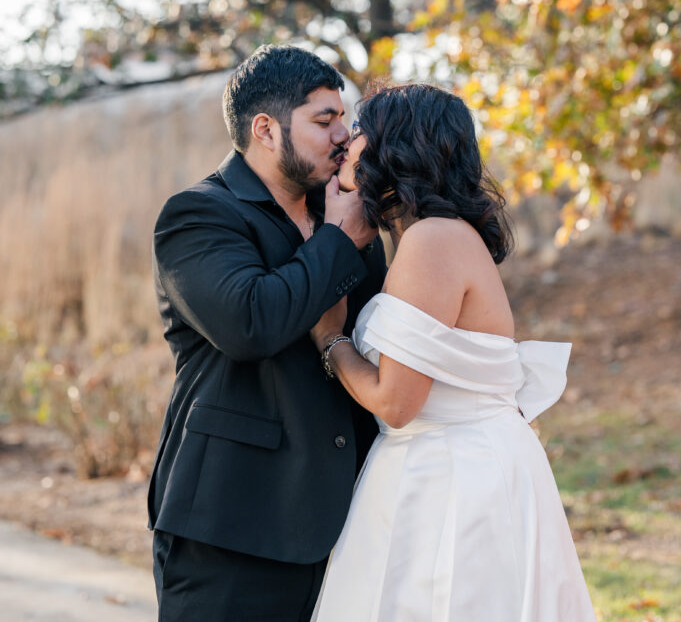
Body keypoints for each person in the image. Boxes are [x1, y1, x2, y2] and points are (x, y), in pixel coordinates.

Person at [310, 83, 597, 621]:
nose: (347, 140)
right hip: (452, 462)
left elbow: (396, 402)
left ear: (399, 145)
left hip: (451, 479)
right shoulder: (434, 236)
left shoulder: (433, 240)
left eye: (361, 129)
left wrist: (331, 338)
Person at [148, 45, 386, 621]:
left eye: (344, 119)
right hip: (234, 526)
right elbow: (250, 324)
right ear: (265, 129)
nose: (343, 136)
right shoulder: (197, 215)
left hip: (347, 524)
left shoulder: (345, 217)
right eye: (324, 121)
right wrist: (338, 240)